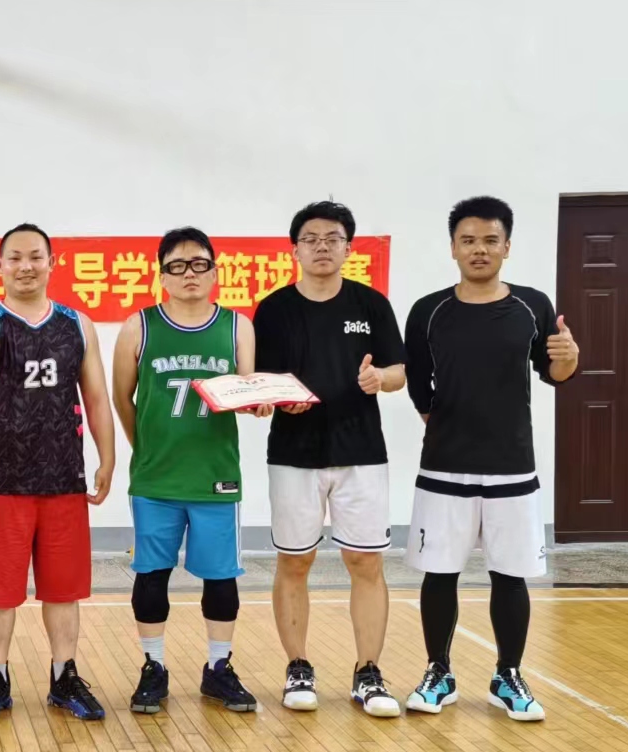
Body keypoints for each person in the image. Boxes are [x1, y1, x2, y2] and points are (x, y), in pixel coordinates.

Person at [403, 196, 578, 721]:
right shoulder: (428, 310)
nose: (479, 249)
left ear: (507, 246)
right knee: (440, 573)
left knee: (510, 574)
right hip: (444, 466)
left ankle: (508, 675)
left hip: (513, 465)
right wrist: (447, 424)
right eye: (468, 240)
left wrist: (570, 360)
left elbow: (554, 374)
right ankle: (439, 672)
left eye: (489, 240)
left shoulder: (532, 305)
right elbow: (419, 386)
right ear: (453, 248)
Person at [0, 223, 114, 724]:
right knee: (0, 591)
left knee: (63, 589)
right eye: (15, 258)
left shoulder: (77, 325)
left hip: (64, 479)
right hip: (3, 481)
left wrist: (108, 458)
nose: (26, 266)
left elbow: (96, 398)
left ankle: (64, 676)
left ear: (51, 262)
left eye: (35, 257)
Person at [253, 202, 407, 717]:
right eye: (311, 238)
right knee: (295, 561)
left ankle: (368, 673)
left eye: (333, 238)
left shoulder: (371, 304)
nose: (322, 246)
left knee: (365, 561)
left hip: (361, 452)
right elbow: (260, 380)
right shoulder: (273, 309)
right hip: (293, 454)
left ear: (348, 247)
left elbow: (398, 371)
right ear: (294, 249)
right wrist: (277, 399)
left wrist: (379, 379)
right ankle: (298, 667)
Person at [111, 227, 260, 715]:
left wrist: (260, 403)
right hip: (156, 479)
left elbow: (245, 391)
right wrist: (145, 448)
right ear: (162, 275)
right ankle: (153, 666)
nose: (189, 274)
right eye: (177, 266)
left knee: (221, 578)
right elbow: (122, 397)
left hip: (217, 476)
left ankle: (218, 667)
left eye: (199, 264)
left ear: (215, 271)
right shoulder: (139, 326)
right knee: (152, 576)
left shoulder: (237, 326)